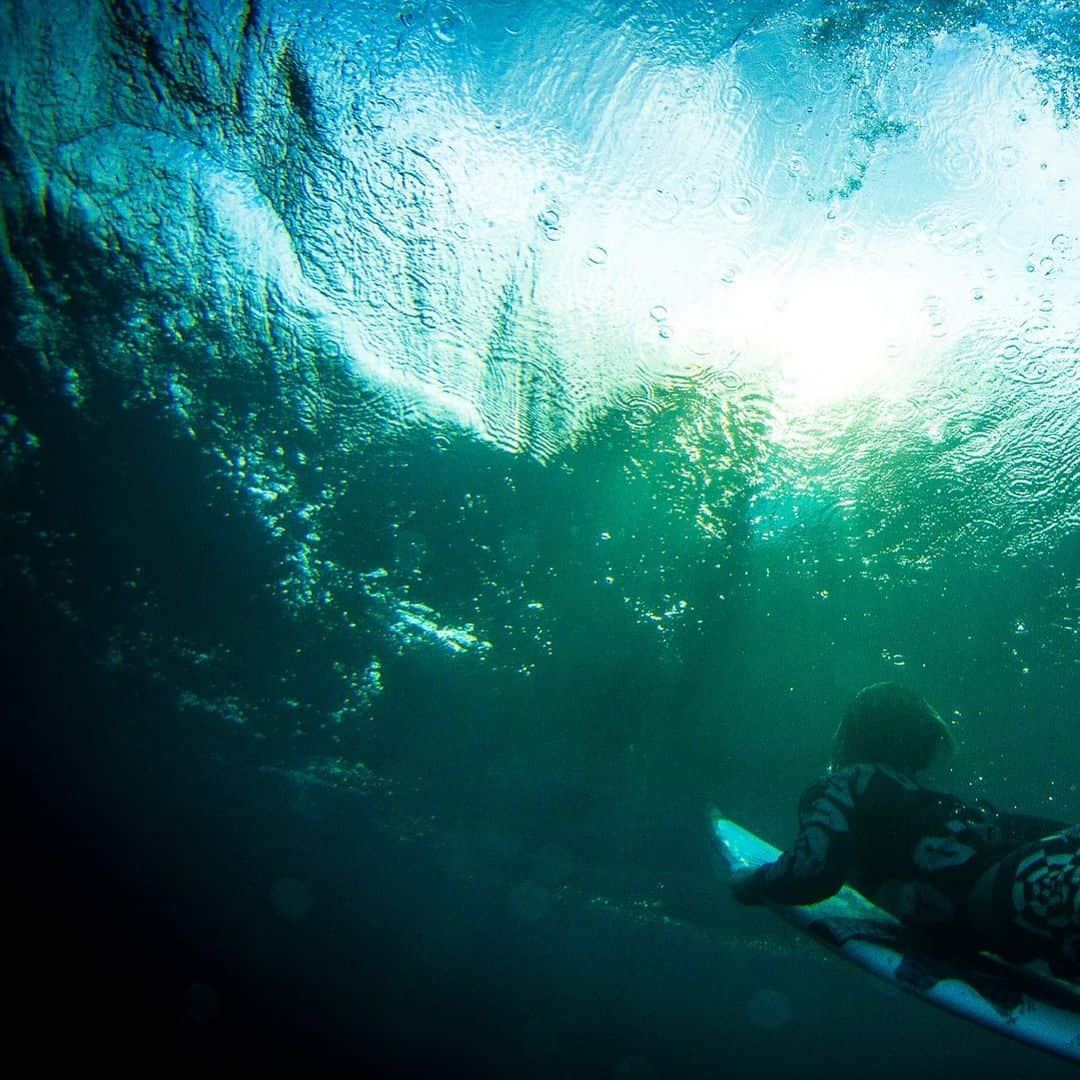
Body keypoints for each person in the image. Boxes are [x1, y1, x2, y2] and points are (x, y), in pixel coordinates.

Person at [730, 682, 1079, 981]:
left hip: (1020, 891)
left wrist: (753, 882)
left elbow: (814, 869)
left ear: (851, 735)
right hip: (1036, 875)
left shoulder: (843, 784)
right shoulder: (930, 800)